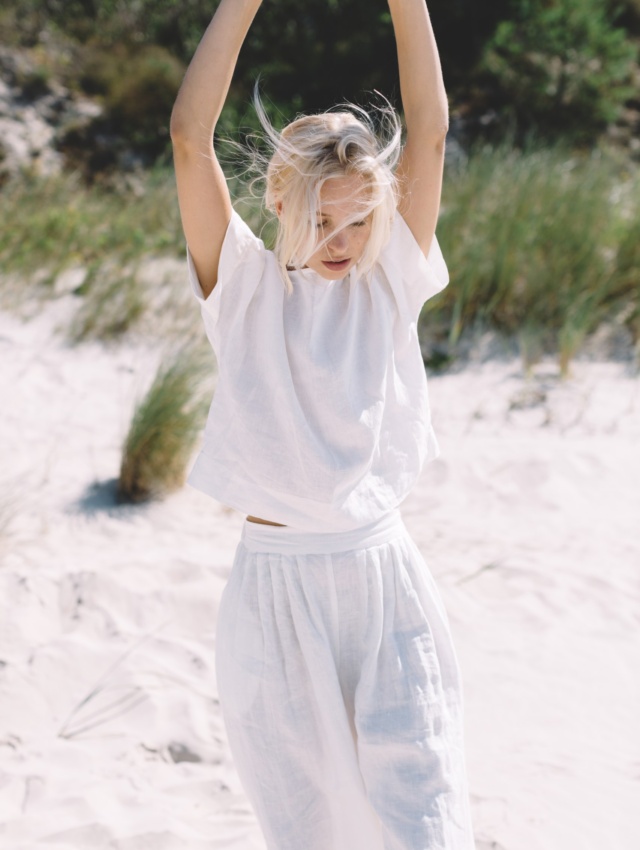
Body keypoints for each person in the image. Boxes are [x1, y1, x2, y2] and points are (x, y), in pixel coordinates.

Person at [170, 1, 475, 848]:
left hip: (383, 579)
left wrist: (406, 5)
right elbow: (190, 136)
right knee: (310, 832)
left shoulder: (389, 282)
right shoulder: (241, 290)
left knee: (423, 819)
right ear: (275, 198)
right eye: (322, 216)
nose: (342, 240)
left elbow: (432, 129)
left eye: (359, 218)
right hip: (276, 593)